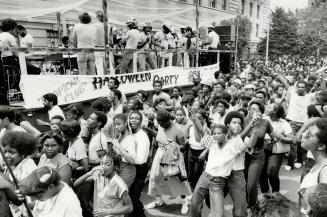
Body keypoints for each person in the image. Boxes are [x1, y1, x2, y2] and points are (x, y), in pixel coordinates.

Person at [190, 112, 257, 217]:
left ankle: (218, 212)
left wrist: (253, 126)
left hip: (235, 175)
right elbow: (205, 137)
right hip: (214, 176)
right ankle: (215, 212)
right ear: (227, 125)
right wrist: (195, 120)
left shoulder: (239, 140)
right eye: (234, 122)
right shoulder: (217, 139)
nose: (237, 125)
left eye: (239, 123)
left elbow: (249, 142)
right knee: (203, 202)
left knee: (240, 209)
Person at [146, 109, 191, 215]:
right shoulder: (161, 126)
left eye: (162, 123)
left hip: (173, 156)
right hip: (160, 155)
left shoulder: (178, 129)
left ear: (168, 120)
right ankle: (158, 201)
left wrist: (172, 146)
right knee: (155, 177)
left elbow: (184, 145)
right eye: (159, 123)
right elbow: (159, 136)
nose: (160, 125)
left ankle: (184, 202)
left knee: (177, 180)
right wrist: (147, 129)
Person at [243, 100, 277, 212]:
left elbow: (274, 138)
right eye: (251, 108)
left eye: (256, 109)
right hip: (243, 155)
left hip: (257, 157)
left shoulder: (265, 122)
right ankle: (250, 203)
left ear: (261, 112)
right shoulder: (244, 120)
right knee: (244, 182)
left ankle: (252, 207)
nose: (253, 111)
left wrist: (275, 139)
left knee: (251, 184)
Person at [18, 166, 83, 217]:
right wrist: (24, 204)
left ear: (51, 187)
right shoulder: (53, 188)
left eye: (39, 196)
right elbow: (40, 205)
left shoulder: (70, 204)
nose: (37, 199)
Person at [260, 103, 294, 194]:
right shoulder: (263, 119)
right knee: (262, 173)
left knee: (272, 173)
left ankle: (276, 193)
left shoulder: (284, 123)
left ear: (275, 111)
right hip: (262, 149)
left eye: (270, 107)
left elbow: (292, 139)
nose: (266, 108)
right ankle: (265, 194)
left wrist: (282, 138)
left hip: (277, 151)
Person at [2, 131, 37, 217]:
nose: (6, 155)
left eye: (11, 152)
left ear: (23, 153)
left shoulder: (29, 167)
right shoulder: (9, 165)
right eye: (5, 151)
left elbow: (34, 194)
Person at [298, 118, 327, 215]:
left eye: (309, 135)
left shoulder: (325, 170)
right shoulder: (318, 165)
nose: (303, 135)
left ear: (321, 146)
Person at [128, 111, 151, 217]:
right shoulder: (129, 134)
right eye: (131, 118)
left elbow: (139, 159)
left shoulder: (142, 137)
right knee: (132, 197)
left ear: (141, 122)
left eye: (137, 118)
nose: (133, 120)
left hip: (139, 169)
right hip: (131, 168)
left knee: (133, 198)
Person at [112, 114, 137, 188]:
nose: (116, 127)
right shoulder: (119, 136)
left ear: (126, 123)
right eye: (115, 125)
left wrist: (118, 145)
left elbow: (132, 160)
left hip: (127, 170)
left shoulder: (130, 139)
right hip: (117, 168)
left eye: (119, 124)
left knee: (121, 194)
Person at [93, 10, 107, 75]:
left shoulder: (94, 25)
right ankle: (105, 78)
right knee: (104, 65)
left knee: (99, 66)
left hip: (97, 47)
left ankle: (101, 79)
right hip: (104, 48)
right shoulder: (107, 25)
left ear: (97, 17)